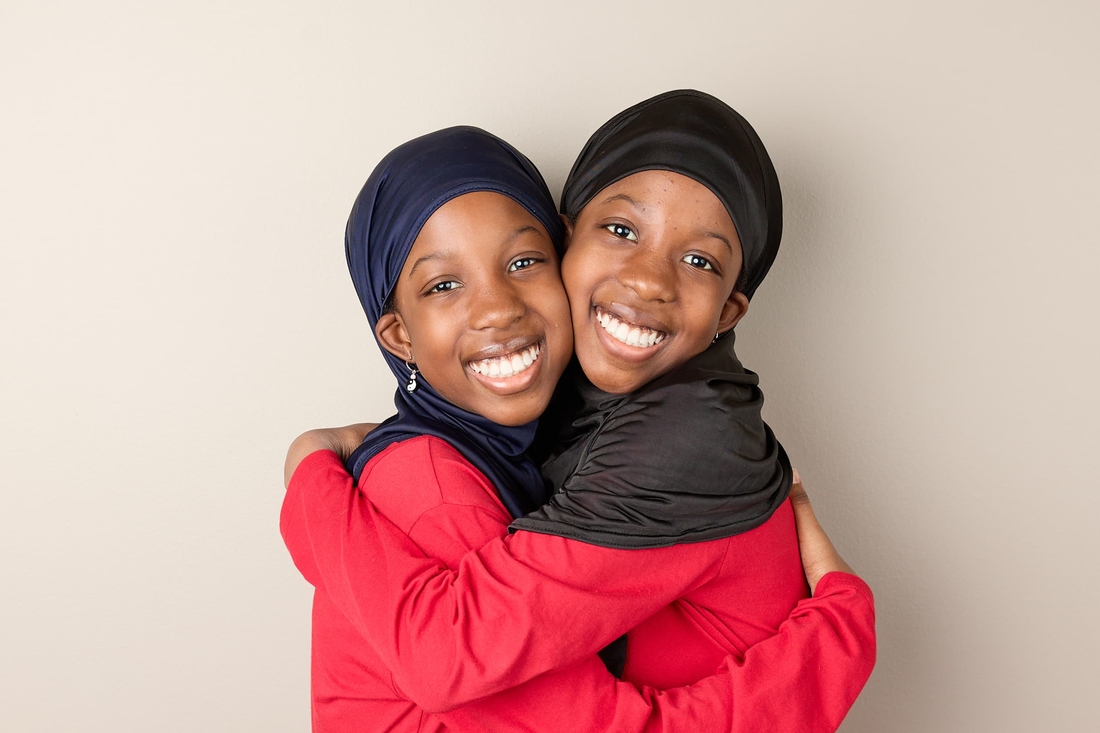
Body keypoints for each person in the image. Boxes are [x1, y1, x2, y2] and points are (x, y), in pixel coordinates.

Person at [283, 117, 874, 731]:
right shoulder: (441, 480)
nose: (496, 308)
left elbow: (452, 659)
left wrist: (312, 477)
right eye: (620, 230)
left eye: (522, 262)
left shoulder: (677, 436)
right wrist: (839, 634)